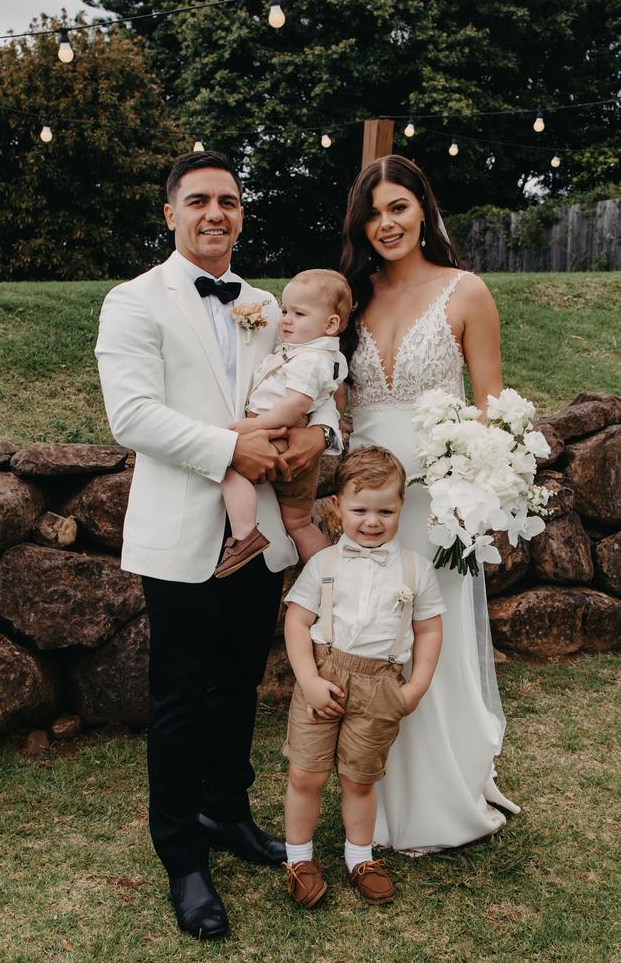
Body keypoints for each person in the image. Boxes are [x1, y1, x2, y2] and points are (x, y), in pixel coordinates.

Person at [95, 150, 341, 940]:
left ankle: (228, 812)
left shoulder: (269, 304)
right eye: (198, 200)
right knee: (181, 696)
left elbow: (313, 379)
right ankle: (183, 855)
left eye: (228, 201)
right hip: (181, 531)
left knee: (240, 684)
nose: (215, 213)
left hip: (259, 530)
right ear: (170, 213)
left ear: (241, 212)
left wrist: (320, 435)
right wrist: (230, 449)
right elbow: (131, 417)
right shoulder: (133, 303)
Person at [338, 154, 520, 854]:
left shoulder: (466, 292)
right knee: (373, 636)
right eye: (373, 213)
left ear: (424, 211)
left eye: (398, 209)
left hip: (440, 503)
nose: (386, 224)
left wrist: (477, 494)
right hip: (369, 499)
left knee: (428, 633)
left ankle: (442, 793)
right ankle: (372, 797)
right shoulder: (354, 297)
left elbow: (494, 409)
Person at [281, 446, 444, 907]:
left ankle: (360, 857)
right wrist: (309, 680)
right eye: (360, 510)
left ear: (401, 508)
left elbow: (429, 627)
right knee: (306, 773)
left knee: (359, 779)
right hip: (324, 674)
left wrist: (416, 687)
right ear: (336, 507)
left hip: (381, 685)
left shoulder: (415, 568)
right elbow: (296, 621)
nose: (372, 521)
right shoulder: (324, 564)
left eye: (385, 511)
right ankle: (299, 858)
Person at [215, 269, 351, 577]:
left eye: (298, 313)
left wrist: (254, 426)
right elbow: (337, 397)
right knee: (299, 524)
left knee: (227, 465)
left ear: (330, 324)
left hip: (276, 434)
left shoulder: (309, 359)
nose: (285, 319)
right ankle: (333, 576)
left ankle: (245, 535)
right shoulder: (316, 354)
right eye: (285, 310)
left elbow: (294, 406)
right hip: (293, 446)